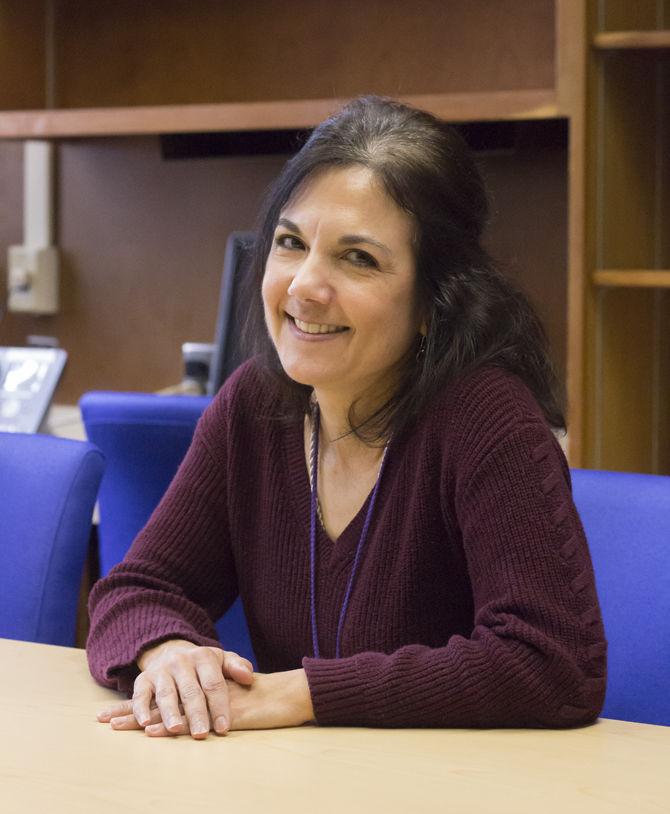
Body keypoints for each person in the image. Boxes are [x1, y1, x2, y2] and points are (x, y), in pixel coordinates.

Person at [89, 95, 607, 739]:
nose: (305, 285)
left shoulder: (488, 421)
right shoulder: (256, 403)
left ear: (433, 301)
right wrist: (170, 655)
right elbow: (136, 588)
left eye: (358, 258)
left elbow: (553, 665)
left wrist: (307, 693)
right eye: (290, 243)